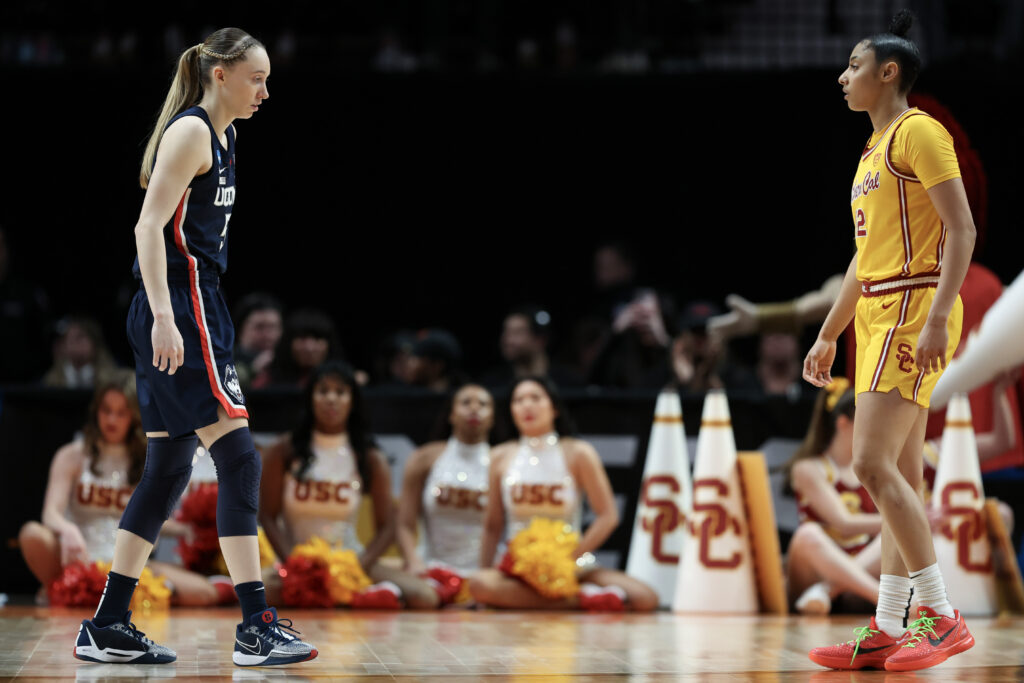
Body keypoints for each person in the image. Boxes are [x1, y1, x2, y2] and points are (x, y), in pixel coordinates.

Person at [73, 29, 317, 667]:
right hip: (179, 303)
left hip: (197, 300)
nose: (265, 90)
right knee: (239, 458)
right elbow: (147, 226)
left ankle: (107, 623)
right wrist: (163, 315)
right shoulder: (192, 132)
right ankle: (256, 625)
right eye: (256, 78)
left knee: (168, 471)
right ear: (221, 74)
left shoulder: (228, 134)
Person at [804, 11, 976, 671]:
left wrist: (937, 314)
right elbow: (861, 257)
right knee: (899, 474)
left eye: (853, 65)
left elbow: (961, 230)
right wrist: (828, 331)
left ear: (888, 72)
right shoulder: (871, 153)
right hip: (880, 306)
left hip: (913, 303)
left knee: (869, 465)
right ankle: (885, 624)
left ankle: (940, 613)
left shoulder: (919, 132)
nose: (843, 76)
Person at [19, 374, 227, 606]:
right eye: (106, 410)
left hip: (128, 562)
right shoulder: (72, 455)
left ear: (135, 416)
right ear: (96, 411)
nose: (111, 419)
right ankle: (66, 587)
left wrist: (183, 530)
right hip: (78, 558)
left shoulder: (149, 458)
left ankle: (109, 595)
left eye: (121, 412)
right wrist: (67, 530)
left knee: (203, 593)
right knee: (32, 534)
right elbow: (50, 514)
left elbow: (148, 515)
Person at [259, 360, 439, 608]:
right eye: (323, 391)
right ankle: (362, 598)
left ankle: (354, 590)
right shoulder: (283, 450)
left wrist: (357, 567)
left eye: (340, 392)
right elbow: (267, 516)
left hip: (351, 560)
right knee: (259, 592)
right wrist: (293, 563)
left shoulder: (370, 457)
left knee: (425, 597)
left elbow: (387, 527)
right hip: (298, 563)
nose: (331, 399)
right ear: (311, 398)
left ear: (352, 400)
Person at [469, 376, 658, 611]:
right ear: (511, 409)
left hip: (572, 562)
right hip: (518, 566)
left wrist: (568, 559)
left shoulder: (578, 452)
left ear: (554, 407)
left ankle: (551, 597)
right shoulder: (499, 456)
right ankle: (583, 600)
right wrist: (485, 573)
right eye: (518, 400)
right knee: (479, 584)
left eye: (535, 398)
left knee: (645, 597)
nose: (527, 405)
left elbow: (608, 516)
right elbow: (492, 525)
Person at [783, 380, 882, 616]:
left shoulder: (875, 470)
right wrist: (908, 521)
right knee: (807, 535)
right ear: (843, 423)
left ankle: (828, 590)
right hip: (812, 574)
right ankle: (888, 602)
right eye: (866, 420)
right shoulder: (808, 468)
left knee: (900, 533)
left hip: (858, 578)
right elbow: (844, 524)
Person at [397, 384, 494, 601]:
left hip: (483, 576)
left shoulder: (503, 462)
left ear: (492, 418)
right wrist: (413, 561)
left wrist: (488, 574)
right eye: (466, 402)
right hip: (431, 570)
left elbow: (499, 527)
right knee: (421, 597)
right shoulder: (424, 458)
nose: (474, 409)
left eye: (483, 404)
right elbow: (405, 523)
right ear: (451, 414)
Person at [480, 306, 581, 390]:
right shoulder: (493, 383)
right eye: (506, 332)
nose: (507, 340)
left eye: (517, 333)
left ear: (540, 340)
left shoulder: (567, 381)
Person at [251, 308, 344, 389]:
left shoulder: (345, 380)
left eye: (317, 338)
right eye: (302, 338)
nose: (309, 347)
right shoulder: (266, 381)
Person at [42, 316, 119, 389]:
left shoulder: (112, 380)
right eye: (68, 338)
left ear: (94, 343)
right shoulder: (51, 380)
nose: (72, 342)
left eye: (79, 337)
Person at [231, 292, 283, 390]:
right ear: (241, 329)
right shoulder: (225, 361)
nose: (268, 335)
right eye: (259, 327)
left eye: (273, 327)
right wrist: (252, 370)